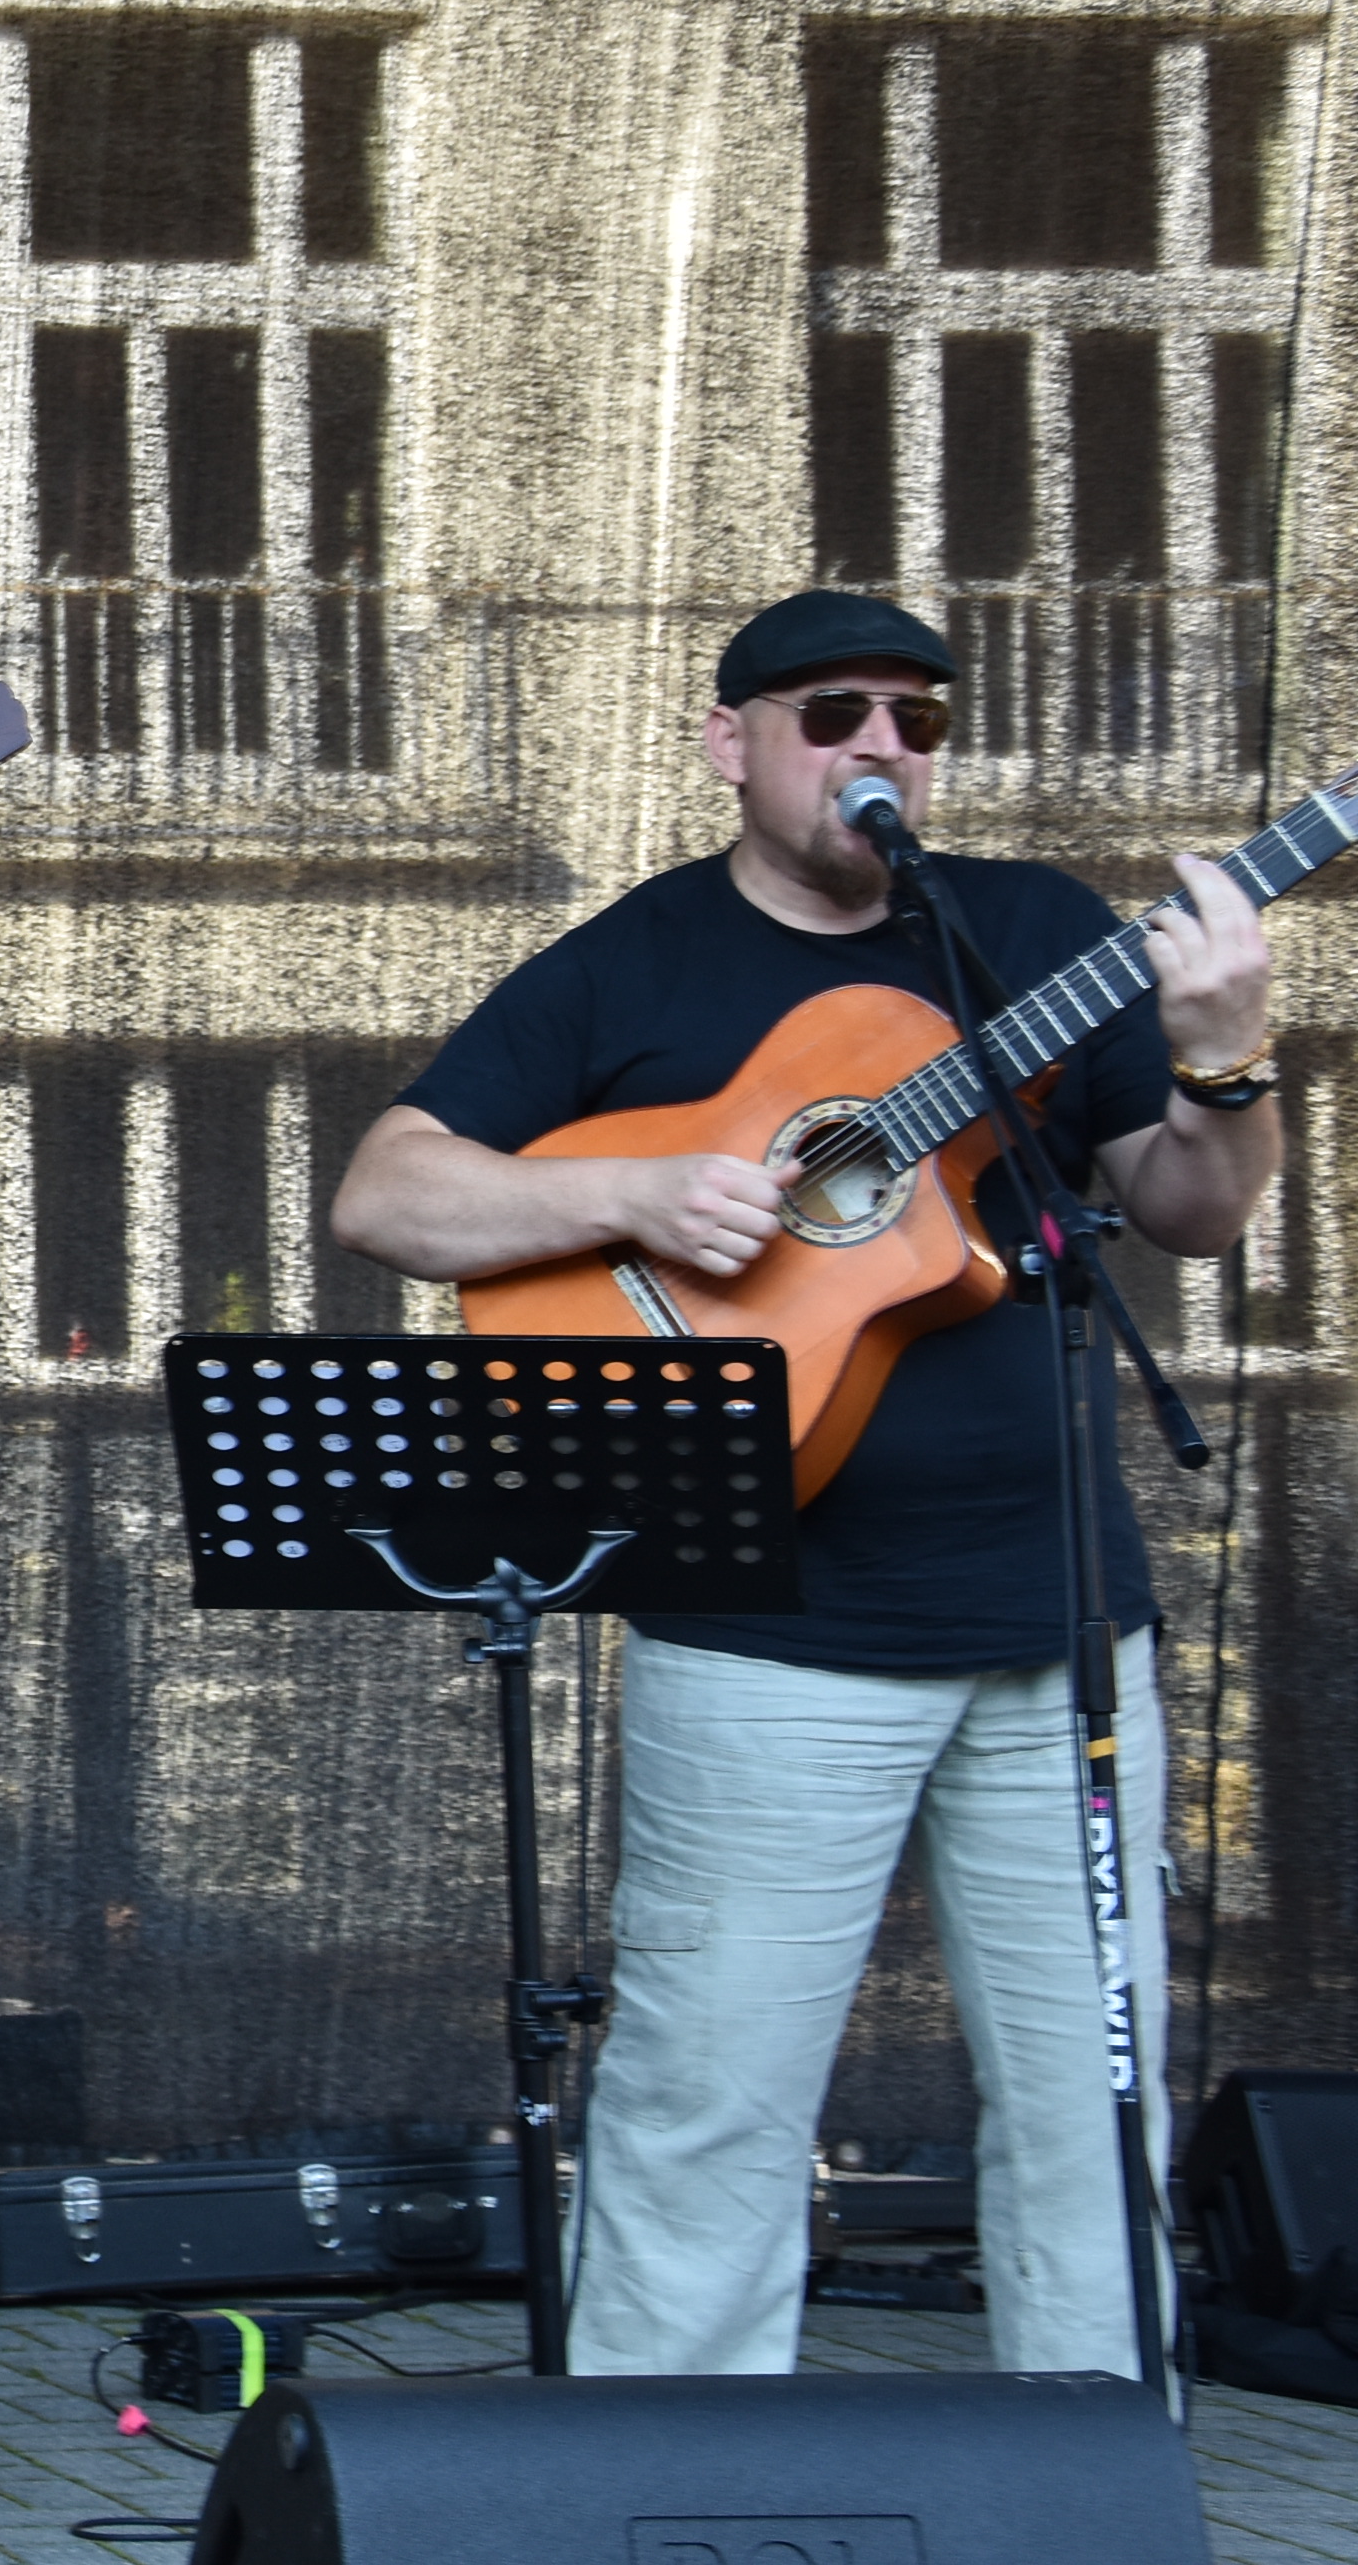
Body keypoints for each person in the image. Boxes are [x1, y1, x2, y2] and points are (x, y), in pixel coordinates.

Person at [332, 587, 1284, 2378]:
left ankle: (1092, 2464)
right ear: (732, 741)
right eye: (834, 712)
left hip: (1061, 1628)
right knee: (712, 2095)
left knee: (1093, 2099)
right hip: (767, 1633)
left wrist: (1228, 1057)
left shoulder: (1029, 935)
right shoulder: (637, 961)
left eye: (918, 719)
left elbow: (1194, 1210)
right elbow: (388, 1192)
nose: (881, 746)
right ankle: (671, 2476)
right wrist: (632, 1193)